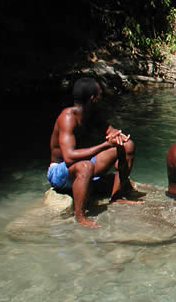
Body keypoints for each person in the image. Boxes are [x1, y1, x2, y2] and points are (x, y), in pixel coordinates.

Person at [48, 77, 141, 228]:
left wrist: (118, 136)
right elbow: (69, 157)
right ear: (93, 98)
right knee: (85, 166)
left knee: (127, 146)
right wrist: (105, 145)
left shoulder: (93, 114)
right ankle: (80, 216)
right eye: (100, 95)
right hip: (59, 171)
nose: (102, 97)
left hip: (83, 164)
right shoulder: (68, 117)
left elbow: (110, 131)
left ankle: (116, 197)